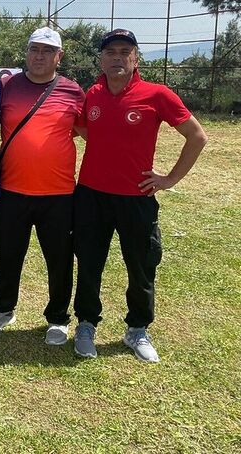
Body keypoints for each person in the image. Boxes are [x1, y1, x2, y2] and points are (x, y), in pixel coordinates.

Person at [72, 28, 207, 363]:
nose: (117, 58)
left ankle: (137, 330)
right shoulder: (93, 95)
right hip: (91, 195)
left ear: (135, 58)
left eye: (125, 52)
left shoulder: (156, 94)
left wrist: (170, 178)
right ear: (101, 59)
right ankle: (86, 325)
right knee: (89, 262)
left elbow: (197, 136)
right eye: (111, 53)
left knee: (141, 265)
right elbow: (86, 132)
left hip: (136, 198)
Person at [0, 27, 85, 345]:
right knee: (7, 255)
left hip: (59, 194)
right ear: (26, 53)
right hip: (12, 190)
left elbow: (83, 131)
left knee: (60, 258)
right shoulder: (8, 86)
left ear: (59, 56)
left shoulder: (72, 91)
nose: (39, 56)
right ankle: (3, 308)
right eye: (34, 50)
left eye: (46, 51)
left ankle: (57, 318)